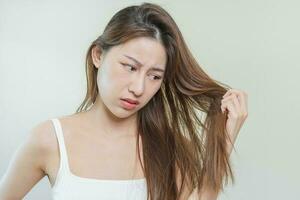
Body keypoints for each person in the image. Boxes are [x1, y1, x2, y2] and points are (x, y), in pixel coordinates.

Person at [0, 2, 248, 200]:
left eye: (154, 76)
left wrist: (224, 143)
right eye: (130, 67)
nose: (139, 88)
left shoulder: (170, 148)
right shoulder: (49, 140)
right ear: (98, 55)